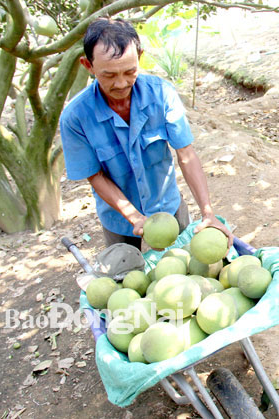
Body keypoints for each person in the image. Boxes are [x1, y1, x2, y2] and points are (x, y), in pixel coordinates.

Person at [60, 17, 232, 250]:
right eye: (109, 75)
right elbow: (96, 176)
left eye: (129, 72)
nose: (121, 84)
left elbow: (186, 154)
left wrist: (207, 211)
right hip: (118, 220)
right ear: (88, 65)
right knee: (127, 276)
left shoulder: (161, 94)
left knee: (187, 264)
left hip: (169, 207)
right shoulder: (75, 117)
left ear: (139, 58)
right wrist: (135, 217)